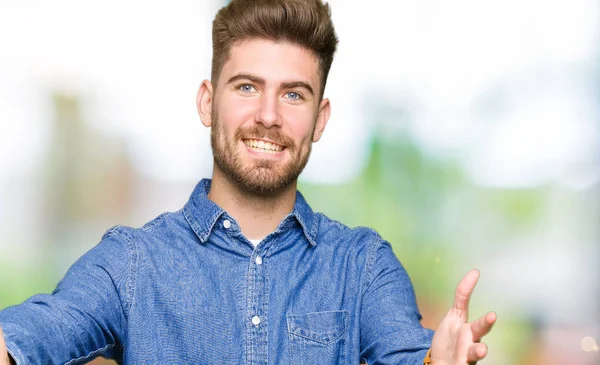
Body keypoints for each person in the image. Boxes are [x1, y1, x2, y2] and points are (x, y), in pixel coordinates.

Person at [0, 0, 496, 364]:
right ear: (206, 102)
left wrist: (437, 363)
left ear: (320, 120)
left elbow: (409, 356)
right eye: (247, 87)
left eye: (294, 95)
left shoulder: (362, 267)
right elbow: (36, 334)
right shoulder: (132, 263)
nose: (268, 115)